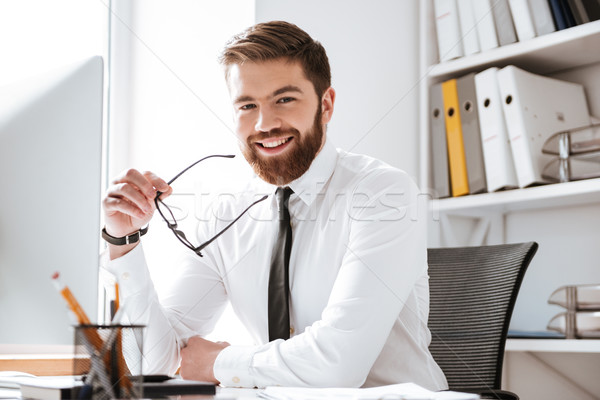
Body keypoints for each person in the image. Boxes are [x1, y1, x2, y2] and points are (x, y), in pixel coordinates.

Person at [101, 20, 447, 390]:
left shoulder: (383, 194)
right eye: (248, 105)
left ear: (325, 105)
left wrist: (217, 362)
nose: (265, 123)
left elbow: (338, 366)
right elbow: (154, 362)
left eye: (284, 99)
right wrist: (124, 242)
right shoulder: (226, 215)